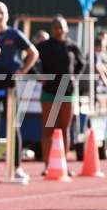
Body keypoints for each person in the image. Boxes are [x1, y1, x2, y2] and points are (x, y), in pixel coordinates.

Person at [0, 1, 38, 183]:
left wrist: (23, 69)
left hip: (10, 82)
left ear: (7, 15)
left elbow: (33, 52)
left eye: (3, 12)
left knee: (13, 124)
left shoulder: (14, 34)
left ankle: (16, 167)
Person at [36, 15, 86, 176]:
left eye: (61, 27)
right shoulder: (44, 46)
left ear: (66, 29)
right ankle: (46, 164)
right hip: (49, 93)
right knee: (48, 129)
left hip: (67, 93)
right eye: (55, 27)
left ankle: (62, 163)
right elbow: (31, 61)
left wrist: (75, 78)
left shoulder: (73, 46)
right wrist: (39, 77)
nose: (58, 30)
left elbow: (82, 63)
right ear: (52, 29)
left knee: (65, 129)